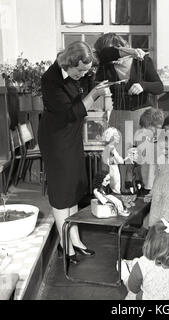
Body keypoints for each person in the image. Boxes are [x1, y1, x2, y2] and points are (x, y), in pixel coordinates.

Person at [38, 41, 111, 264]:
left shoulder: (80, 73)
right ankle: (65, 245)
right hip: (56, 139)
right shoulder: (50, 79)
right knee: (61, 194)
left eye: (86, 70)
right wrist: (94, 95)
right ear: (69, 63)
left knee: (72, 191)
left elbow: (106, 56)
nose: (83, 74)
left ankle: (75, 240)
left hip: (71, 137)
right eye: (79, 70)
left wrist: (101, 90)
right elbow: (71, 113)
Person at [94, 33, 164, 155]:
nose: (112, 55)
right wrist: (130, 51)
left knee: (144, 158)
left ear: (121, 45)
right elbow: (102, 57)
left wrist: (143, 85)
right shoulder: (105, 66)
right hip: (118, 116)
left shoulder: (142, 61)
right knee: (119, 158)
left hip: (143, 116)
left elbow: (159, 87)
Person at [120, 219, 169, 300]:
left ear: (148, 243)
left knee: (132, 295)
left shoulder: (143, 263)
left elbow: (133, 288)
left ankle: (124, 275)